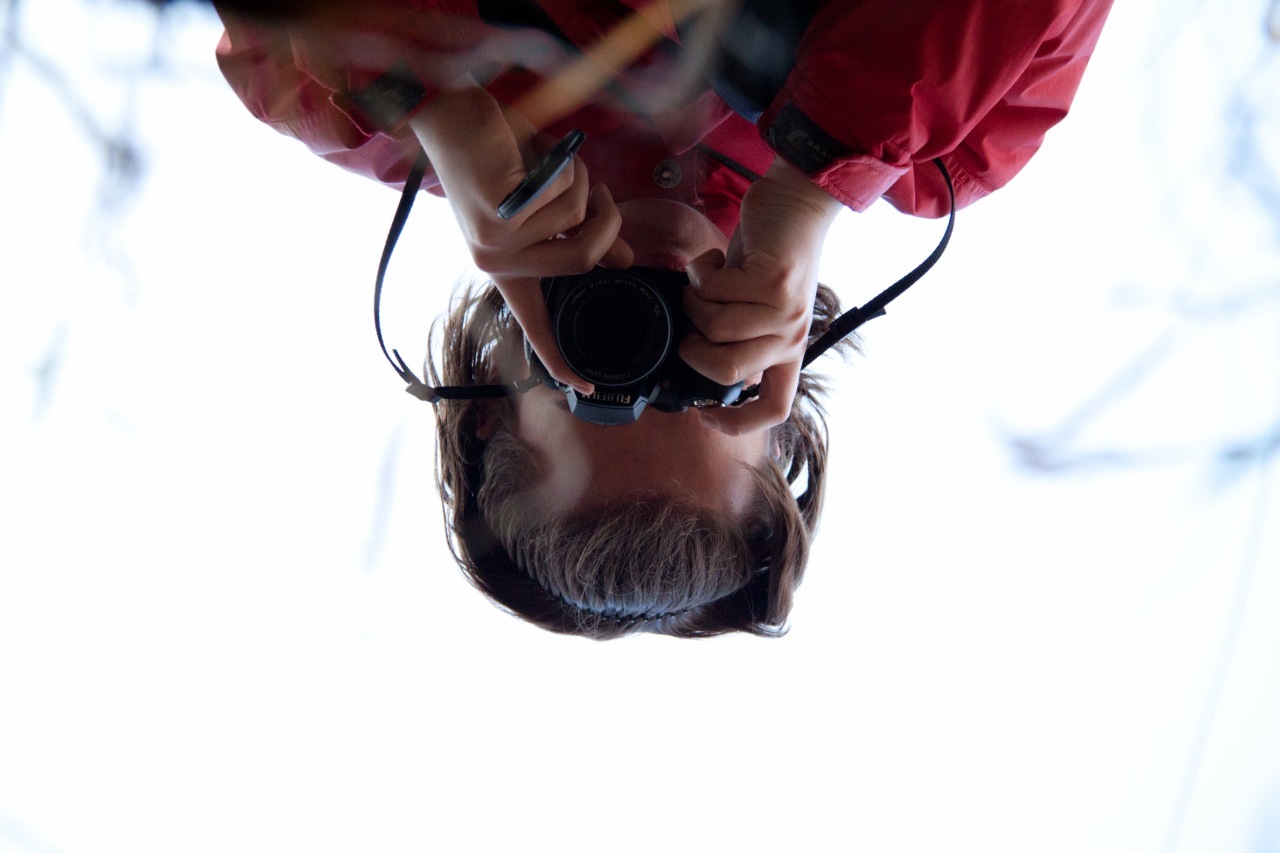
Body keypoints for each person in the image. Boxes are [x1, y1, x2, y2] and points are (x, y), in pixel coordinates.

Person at [213, 0, 1114, 637]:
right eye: (702, 379)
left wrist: (430, 98)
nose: (658, 308)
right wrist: (822, 171)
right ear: (783, 395)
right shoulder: (957, 146)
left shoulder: (330, 86)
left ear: (493, 394)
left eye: (611, 357)